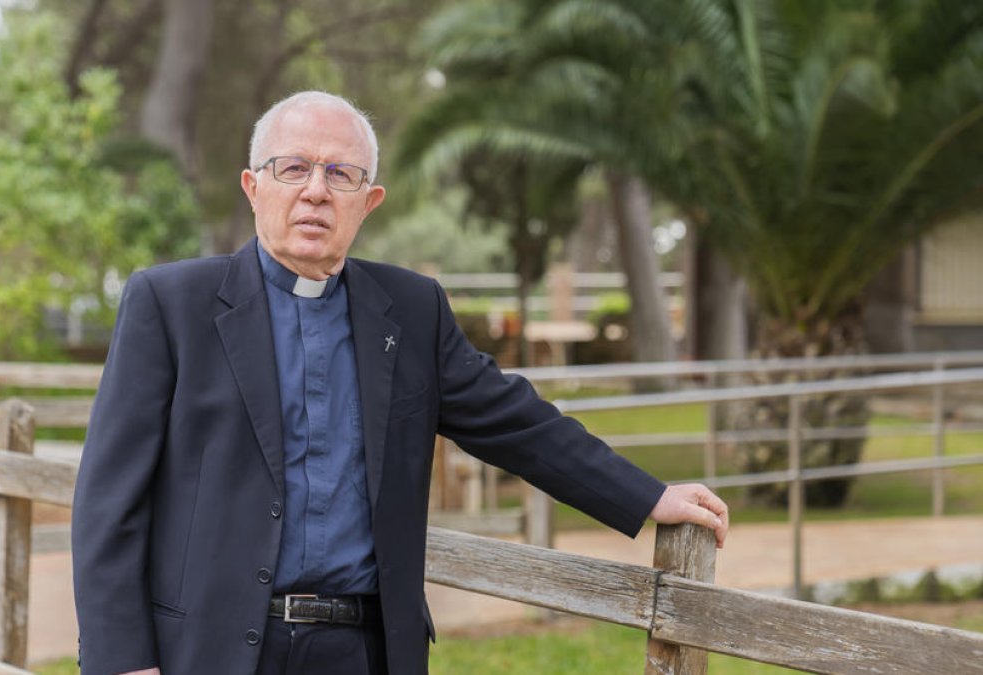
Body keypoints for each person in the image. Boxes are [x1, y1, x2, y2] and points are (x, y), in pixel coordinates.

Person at [71, 90, 729, 675]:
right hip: (213, 650)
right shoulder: (171, 303)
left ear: (369, 200)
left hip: (364, 648)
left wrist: (648, 496)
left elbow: (518, 424)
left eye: (341, 173)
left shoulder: (411, 311)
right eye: (293, 167)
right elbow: (109, 501)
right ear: (253, 185)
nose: (316, 190)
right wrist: (121, 661)